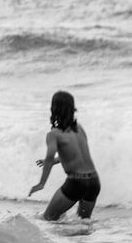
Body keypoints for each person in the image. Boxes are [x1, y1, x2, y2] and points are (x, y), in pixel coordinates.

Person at [29, 91, 101, 221]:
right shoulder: (79, 128)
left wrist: (41, 183)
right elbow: (76, 155)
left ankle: (58, 240)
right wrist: (54, 161)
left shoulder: (54, 134)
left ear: (54, 109)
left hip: (77, 183)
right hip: (94, 181)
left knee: (48, 217)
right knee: (83, 222)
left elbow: (50, 158)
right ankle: (81, 241)